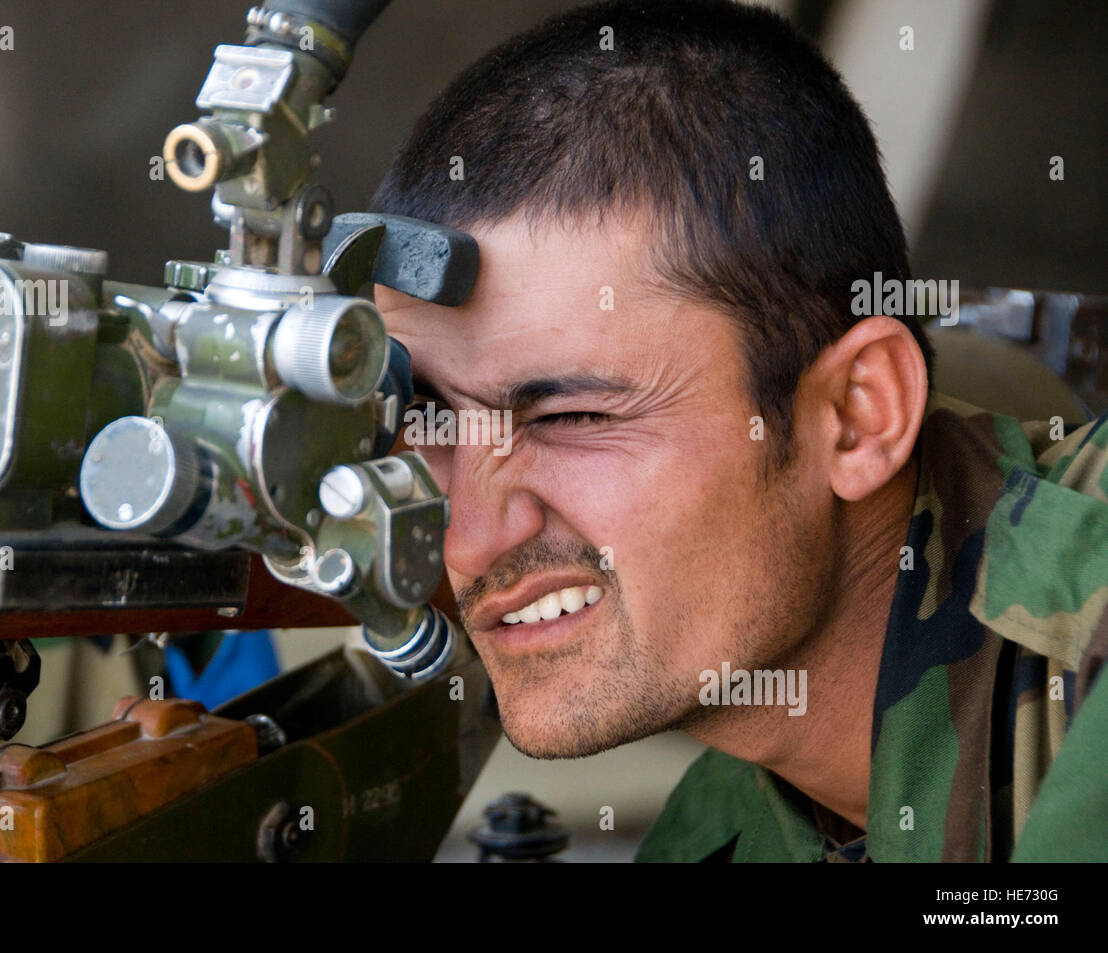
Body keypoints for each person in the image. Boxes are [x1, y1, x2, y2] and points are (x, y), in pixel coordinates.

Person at [369, 0, 1108, 861]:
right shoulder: (710, 833)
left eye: (571, 417)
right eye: (428, 420)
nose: (463, 539)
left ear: (857, 416)